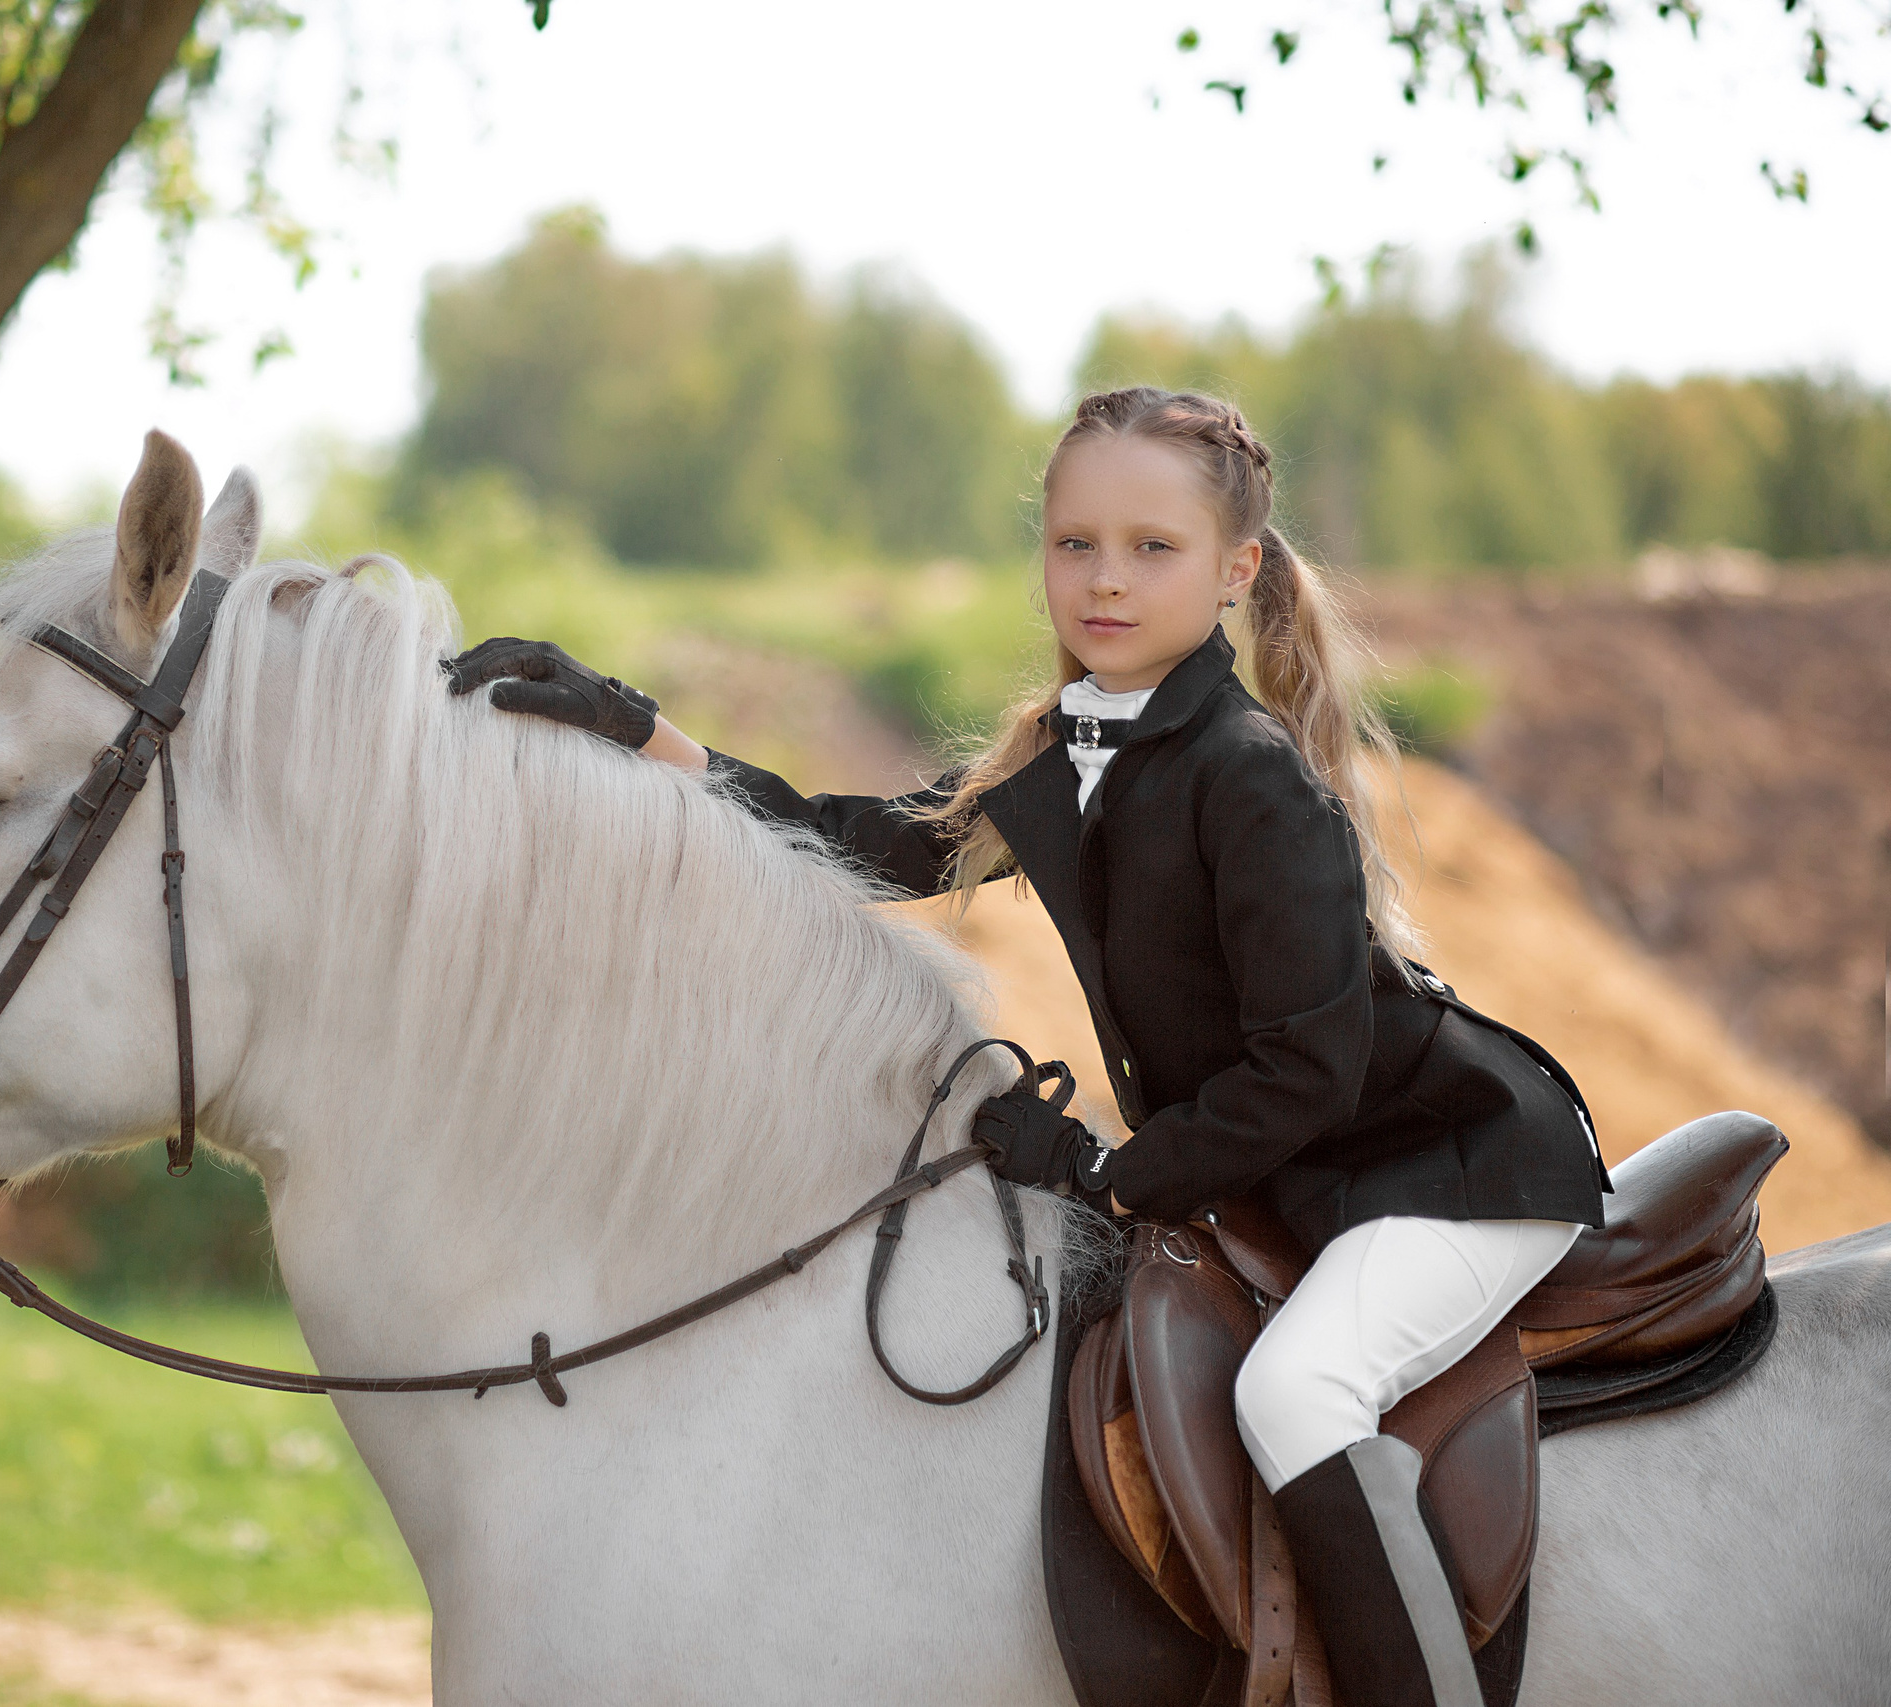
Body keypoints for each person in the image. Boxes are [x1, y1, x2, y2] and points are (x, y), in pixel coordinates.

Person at [442, 386, 1611, 1707]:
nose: (1105, 580)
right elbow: (863, 843)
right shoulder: (1070, 756)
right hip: (1303, 1169)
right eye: (1075, 544)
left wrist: (1110, 1176)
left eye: (1153, 549)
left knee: (1299, 1394)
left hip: (1447, 1167)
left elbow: (1309, 1070)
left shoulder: (1250, 773)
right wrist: (636, 729)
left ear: (1236, 572)